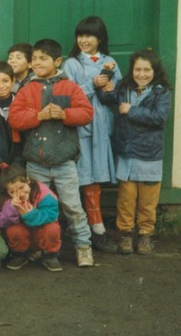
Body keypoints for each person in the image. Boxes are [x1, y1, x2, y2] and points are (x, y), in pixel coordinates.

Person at [9, 38, 95, 267]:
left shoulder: (69, 87)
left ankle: (83, 246)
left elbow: (87, 113)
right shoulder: (27, 89)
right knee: (34, 205)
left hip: (64, 163)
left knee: (72, 207)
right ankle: (38, 247)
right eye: (34, 58)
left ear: (57, 61)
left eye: (43, 59)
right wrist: (38, 116)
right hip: (36, 163)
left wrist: (65, 114)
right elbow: (14, 119)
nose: (37, 62)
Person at [98, 49, 172, 255]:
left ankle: (146, 234)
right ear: (132, 71)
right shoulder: (124, 86)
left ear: (154, 71)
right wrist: (106, 76)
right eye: (137, 69)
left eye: (147, 70)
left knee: (148, 200)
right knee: (126, 198)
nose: (142, 74)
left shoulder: (161, 92)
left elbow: (159, 118)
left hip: (149, 154)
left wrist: (131, 110)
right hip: (126, 152)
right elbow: (105, 97)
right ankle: (126, 234)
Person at [62, 16, 121, 253]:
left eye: (90, 35)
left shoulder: (110, 62)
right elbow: (68, 95)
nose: (84, 40)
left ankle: (94, 228)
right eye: (81, 35)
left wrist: (112, 87)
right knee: (84, 176)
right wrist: (92, 84)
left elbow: (118, 91)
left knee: (97, 176)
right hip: (82, 129)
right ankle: (91, 229)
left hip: (103, 127)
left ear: (100, 38)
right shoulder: (72, 64)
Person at [0, 164, 62, 272]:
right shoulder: (4, 199)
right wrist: (12, 208)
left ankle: (50, 255)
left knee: (53, 228)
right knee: (13, 230)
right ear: (6, 191)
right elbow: (1, 222)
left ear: (28, 180)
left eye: (21, 187)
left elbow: (52, 215)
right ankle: (20, 255)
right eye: (12, 192)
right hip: (23, 236)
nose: (19, 193)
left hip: (41, 233)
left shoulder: (44, 193)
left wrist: (30, 214)